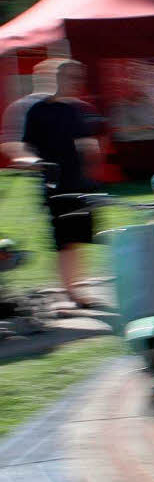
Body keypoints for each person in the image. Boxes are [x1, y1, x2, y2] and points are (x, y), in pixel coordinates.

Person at [2, 59, 102, 308]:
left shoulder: (73, 108)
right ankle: (72, 292)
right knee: (65, 240)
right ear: (52, 78)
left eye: (78, 77)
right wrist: (30, 159)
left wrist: (91, 160)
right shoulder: (33, 109)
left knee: (79, 238)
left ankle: (75, 287)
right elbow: (14, 143)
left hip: (79, 181)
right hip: (54, 184)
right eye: (71, 77)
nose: (76, 82)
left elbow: (85, 141)